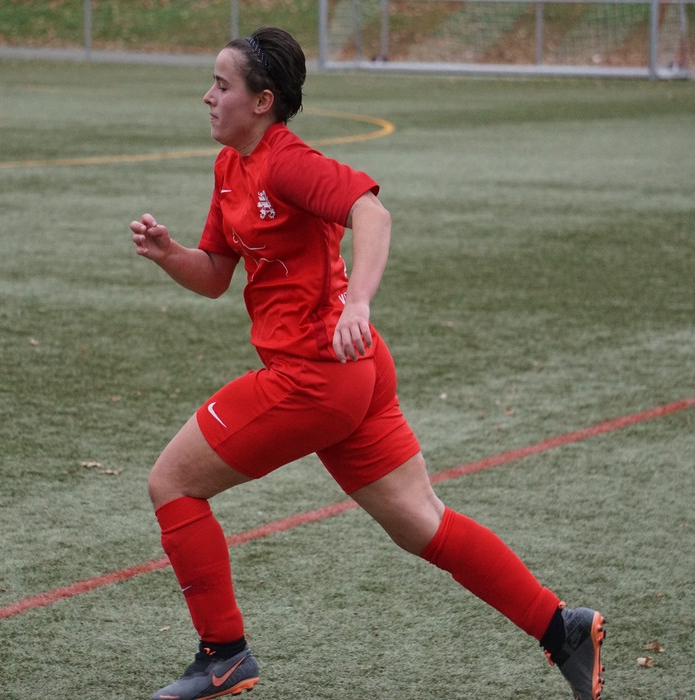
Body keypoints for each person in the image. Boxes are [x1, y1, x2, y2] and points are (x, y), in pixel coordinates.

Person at [129, 26, 605, 700]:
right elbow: (214, 275)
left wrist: (358, 301)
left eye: (221, 84)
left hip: (314, 377)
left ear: (263, 101)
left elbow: (372, 213)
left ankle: (223, 654)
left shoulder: (288, 162)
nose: (208, 96)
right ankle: (562, 628)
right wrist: (170, 253)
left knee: (173, 483)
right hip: (352, 372)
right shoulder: (231, 167)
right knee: (422, 523)